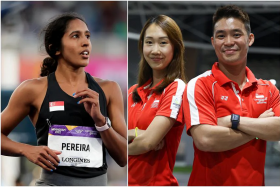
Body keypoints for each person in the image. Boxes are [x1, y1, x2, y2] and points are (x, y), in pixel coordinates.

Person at [1, 13, 127, 186]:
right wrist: (26, 150)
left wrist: (101, 122)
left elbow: (123, 157)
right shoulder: (34, 89)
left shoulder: (109, 89)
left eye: (87, 36)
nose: (85, 42)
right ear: (56, 48)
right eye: (76, 36)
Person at [183, 5, 280, 186]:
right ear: (213, 42)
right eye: (221, 36)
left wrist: (233, 121)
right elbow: (205, 139)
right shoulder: (199, 85)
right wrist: (259, 129)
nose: (228, 41)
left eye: (236, 34)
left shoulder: (268, 89)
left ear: (250, 39)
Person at [127, 15, 187, 186]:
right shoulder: (133, 91)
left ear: (175, 48)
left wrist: (123, 146)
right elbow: (117, 136)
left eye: (163, 43)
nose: (155, 50)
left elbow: (148, 143)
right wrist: (135, 133)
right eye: (149, 42)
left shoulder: (176, 88)